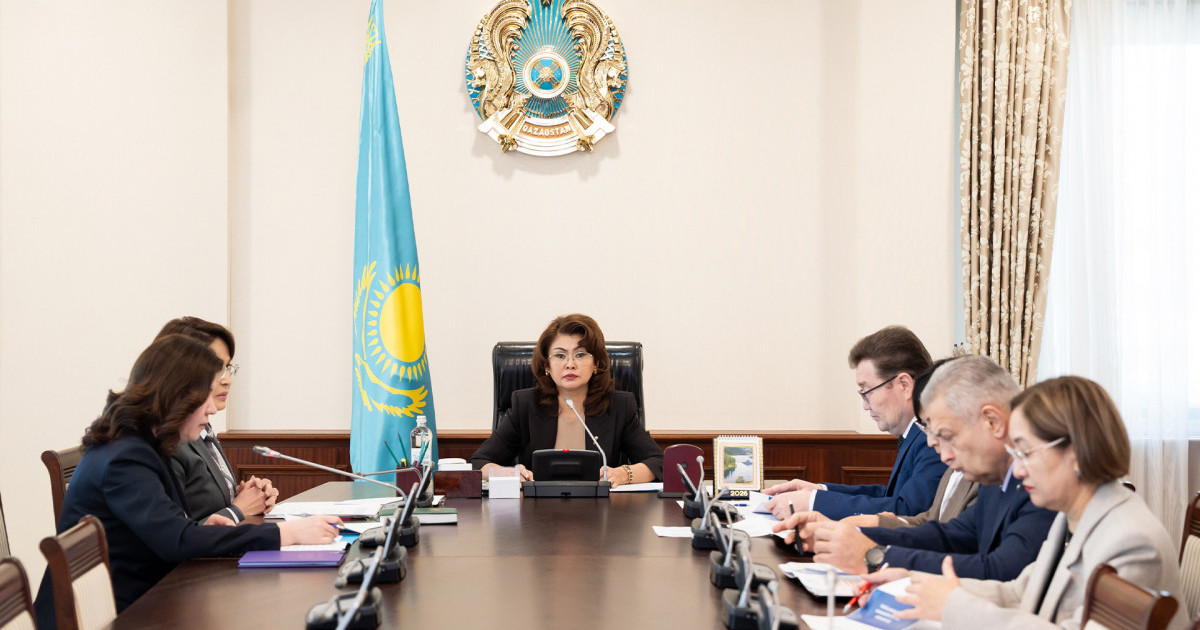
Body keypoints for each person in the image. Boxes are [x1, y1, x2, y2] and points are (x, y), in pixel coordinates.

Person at [34, 335, 340, 626]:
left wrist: (202, 530)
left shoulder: (145, 444)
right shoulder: (125, 457)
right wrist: (287, 534)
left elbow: (173, 528)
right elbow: (178, 541)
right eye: (205, 396)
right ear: (176, 397)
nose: (212, 408)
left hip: (145, 600)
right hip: (121, 614)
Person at [866, 376, 1189, 630]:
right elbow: (1021, 593)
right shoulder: (1072, 516)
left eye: (1026, 453)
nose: (1017, 470)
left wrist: (954, 606)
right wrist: (918, 584)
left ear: (1076, 451)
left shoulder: (1130, 541)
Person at [774, 355, 1055, 581]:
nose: (943, 455)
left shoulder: (1039, 481)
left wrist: (874, 555)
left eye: (947, 436)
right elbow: (950, 535)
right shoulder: (998, 479)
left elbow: (1001, 570)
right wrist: (845, 535)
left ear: (992, 421)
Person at [764, 326, 946, 520]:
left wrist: (811, 503)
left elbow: (907, 510)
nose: (865, 406)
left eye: (867, 391)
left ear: (904, 384)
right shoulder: (915, 434)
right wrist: (818, 492)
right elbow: (889, 496)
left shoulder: (933, 438)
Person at [469, 314, 663, 487]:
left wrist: (625, 474)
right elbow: (479, 463)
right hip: (536, 511)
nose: (570, 364)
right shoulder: (525, 405)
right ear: (547, 365)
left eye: (580, 354)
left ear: (596, 363)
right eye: (560, 355)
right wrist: (508, 473)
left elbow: (658, 462)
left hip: (601, 511)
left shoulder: (619, 406)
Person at [157, 317, 277, 523]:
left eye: (227, 368)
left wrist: (249, 497)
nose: (227, 380)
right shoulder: (168, 439)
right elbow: (173, 534)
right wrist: (239, 509)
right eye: (217, 369)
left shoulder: (201, 428)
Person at [845, 357, 979, 530]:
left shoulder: (991, 480)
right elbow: (931, 518)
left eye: (943, 433)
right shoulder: (956, 466)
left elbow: (956, 538)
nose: (939, 451)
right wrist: (879, 523)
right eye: (927, 428)